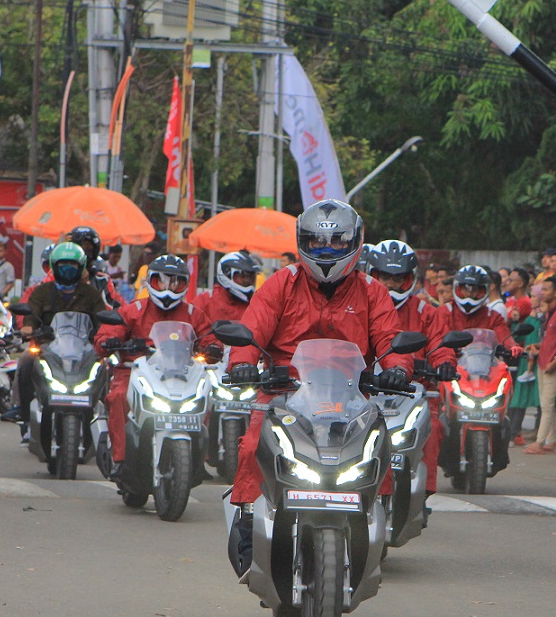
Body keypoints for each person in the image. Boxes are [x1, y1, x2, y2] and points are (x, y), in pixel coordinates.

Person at [223, 199, 412, 577]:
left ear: (355, 243)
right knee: (252, 445)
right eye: (317, 242)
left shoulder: (372, 291)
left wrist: (397, 370)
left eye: (337, 242)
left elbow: (390, 340)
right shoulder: (281, 283)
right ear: (302, 242)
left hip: (351, 399)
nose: (327, 251)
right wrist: (242, 363)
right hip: (285, 394)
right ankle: (248, 520)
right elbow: (252, 328)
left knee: (379, 448)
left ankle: (376, 520)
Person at [94, 255, 221, 480]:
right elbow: (107, 334)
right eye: (161, 281)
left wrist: (213, 348)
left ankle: (198, 459)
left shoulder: (193, 313)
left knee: (205, 397)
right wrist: (108, 341)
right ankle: (120, 459)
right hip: (135, 371)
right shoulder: (135, 309)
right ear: (150, 281)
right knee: (119, 396)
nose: (168, 287)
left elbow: (210, 338)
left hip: (181, 373)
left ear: (184, 284)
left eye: (175, 282)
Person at [366, 240, 457, 500]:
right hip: (364, 390)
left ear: (410, 278)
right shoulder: (359, 307)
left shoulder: (426, 311)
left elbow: (440, 345)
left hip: (413, 392)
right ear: (372, 275)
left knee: (433, 428)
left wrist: (444, 364)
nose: (391, 284)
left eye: (399, 278)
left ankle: (421, 494)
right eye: (385, 277)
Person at [1, 242, 107, 429]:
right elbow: (31, 314)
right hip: (47, 349)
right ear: (54, 266)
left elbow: (102, 319)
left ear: (81, 267)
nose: (67, 269)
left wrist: (105, 334)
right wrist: (28, 327)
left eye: (72, 264)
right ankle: (22, 411)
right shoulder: (41, 292)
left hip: (84, 350)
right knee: (25, 362)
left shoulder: (91, 294)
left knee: (105, 367)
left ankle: (104, 415)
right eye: (63, 264)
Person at [434, 264, 521, 471]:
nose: (470, 294)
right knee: (435, 413)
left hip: (483, 371)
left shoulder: (492, 316)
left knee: (502, 397)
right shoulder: (444, 312)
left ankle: (499, 448)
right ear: (457, 288)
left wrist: (513, 347)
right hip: (451, 369)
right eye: (465, 289)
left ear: (485, 291)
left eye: (475, 290)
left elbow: (504, 336)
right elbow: (435, 337)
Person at [526, 274, 556, 454]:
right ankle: (552, 440)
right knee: (547, 403)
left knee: (546, 404)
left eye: (546, 290)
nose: (542, 292)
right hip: (543, 362)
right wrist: (537, 346)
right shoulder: (549, 313)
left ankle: (539, 442)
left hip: (553, 365)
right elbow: (551, 339)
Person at [507, 295, 541, 446]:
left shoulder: (544, 319)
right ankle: (513, 432)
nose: (532, 299)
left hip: (541, 361)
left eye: (535, 296)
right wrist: (515, 322)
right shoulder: (529, 319)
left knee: (543, 400)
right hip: (526, 361)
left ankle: (541, 434)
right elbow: (517, 336)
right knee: (519, 397)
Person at [194, 250, 261, 325]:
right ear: (227, 274)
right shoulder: (205, 301)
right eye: (242, 276)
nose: (247, 281)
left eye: (251, 278)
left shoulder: (254, 306)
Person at [67, 226, 124, 308]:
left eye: (88, 247)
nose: (83, 251)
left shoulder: (102, 280)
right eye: (79, 247)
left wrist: (86, 285)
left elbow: (107, 308)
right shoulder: (58, 275)